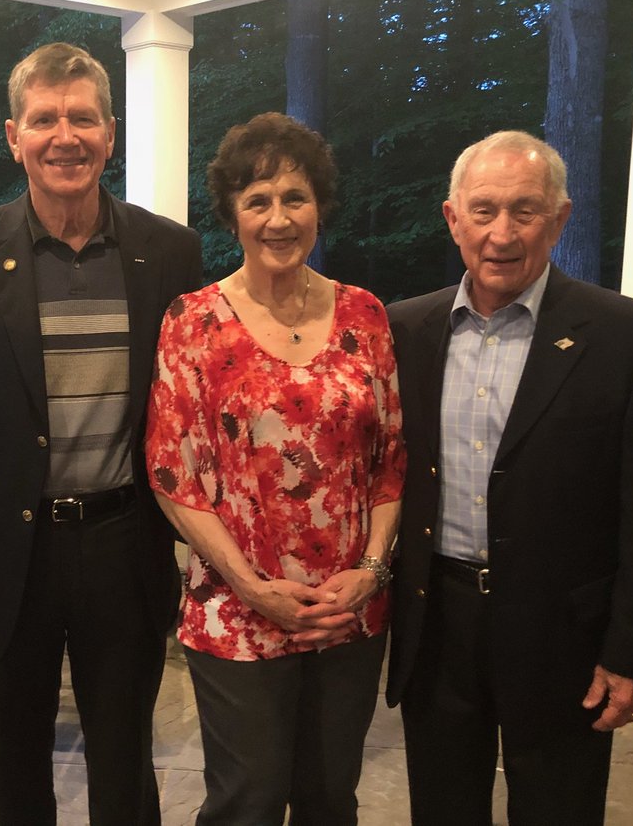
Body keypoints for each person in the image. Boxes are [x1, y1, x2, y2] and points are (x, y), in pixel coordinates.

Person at [0, 42, 202, 825]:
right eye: (44, 120)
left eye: (82, 119)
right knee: (13, 769)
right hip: (9, 556)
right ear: (15, 137)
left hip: (125, 545)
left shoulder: (169, 252)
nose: (64, 137)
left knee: (125, 762)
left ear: (110, 134)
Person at [384, 130, 633, 825]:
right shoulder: (404, 330)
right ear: (453, 219)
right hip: (438, 626)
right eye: (484, 210)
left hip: (564, 635)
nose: (502, 233)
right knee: (442, 806)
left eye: (524, 211)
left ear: (559, 220)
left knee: (560, 808)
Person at [145, 112, 406, 824]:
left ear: (320, 206)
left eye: (296, 198)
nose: (279, 219)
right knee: (248, 801)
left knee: (329, 799)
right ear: (232, 214)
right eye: (258, 200)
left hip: (347, 610)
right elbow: (172, 474)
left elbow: (390, 461)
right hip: (237, 610)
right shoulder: (192, 322)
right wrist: (252, 588)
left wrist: (371, 573)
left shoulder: (366, 316)